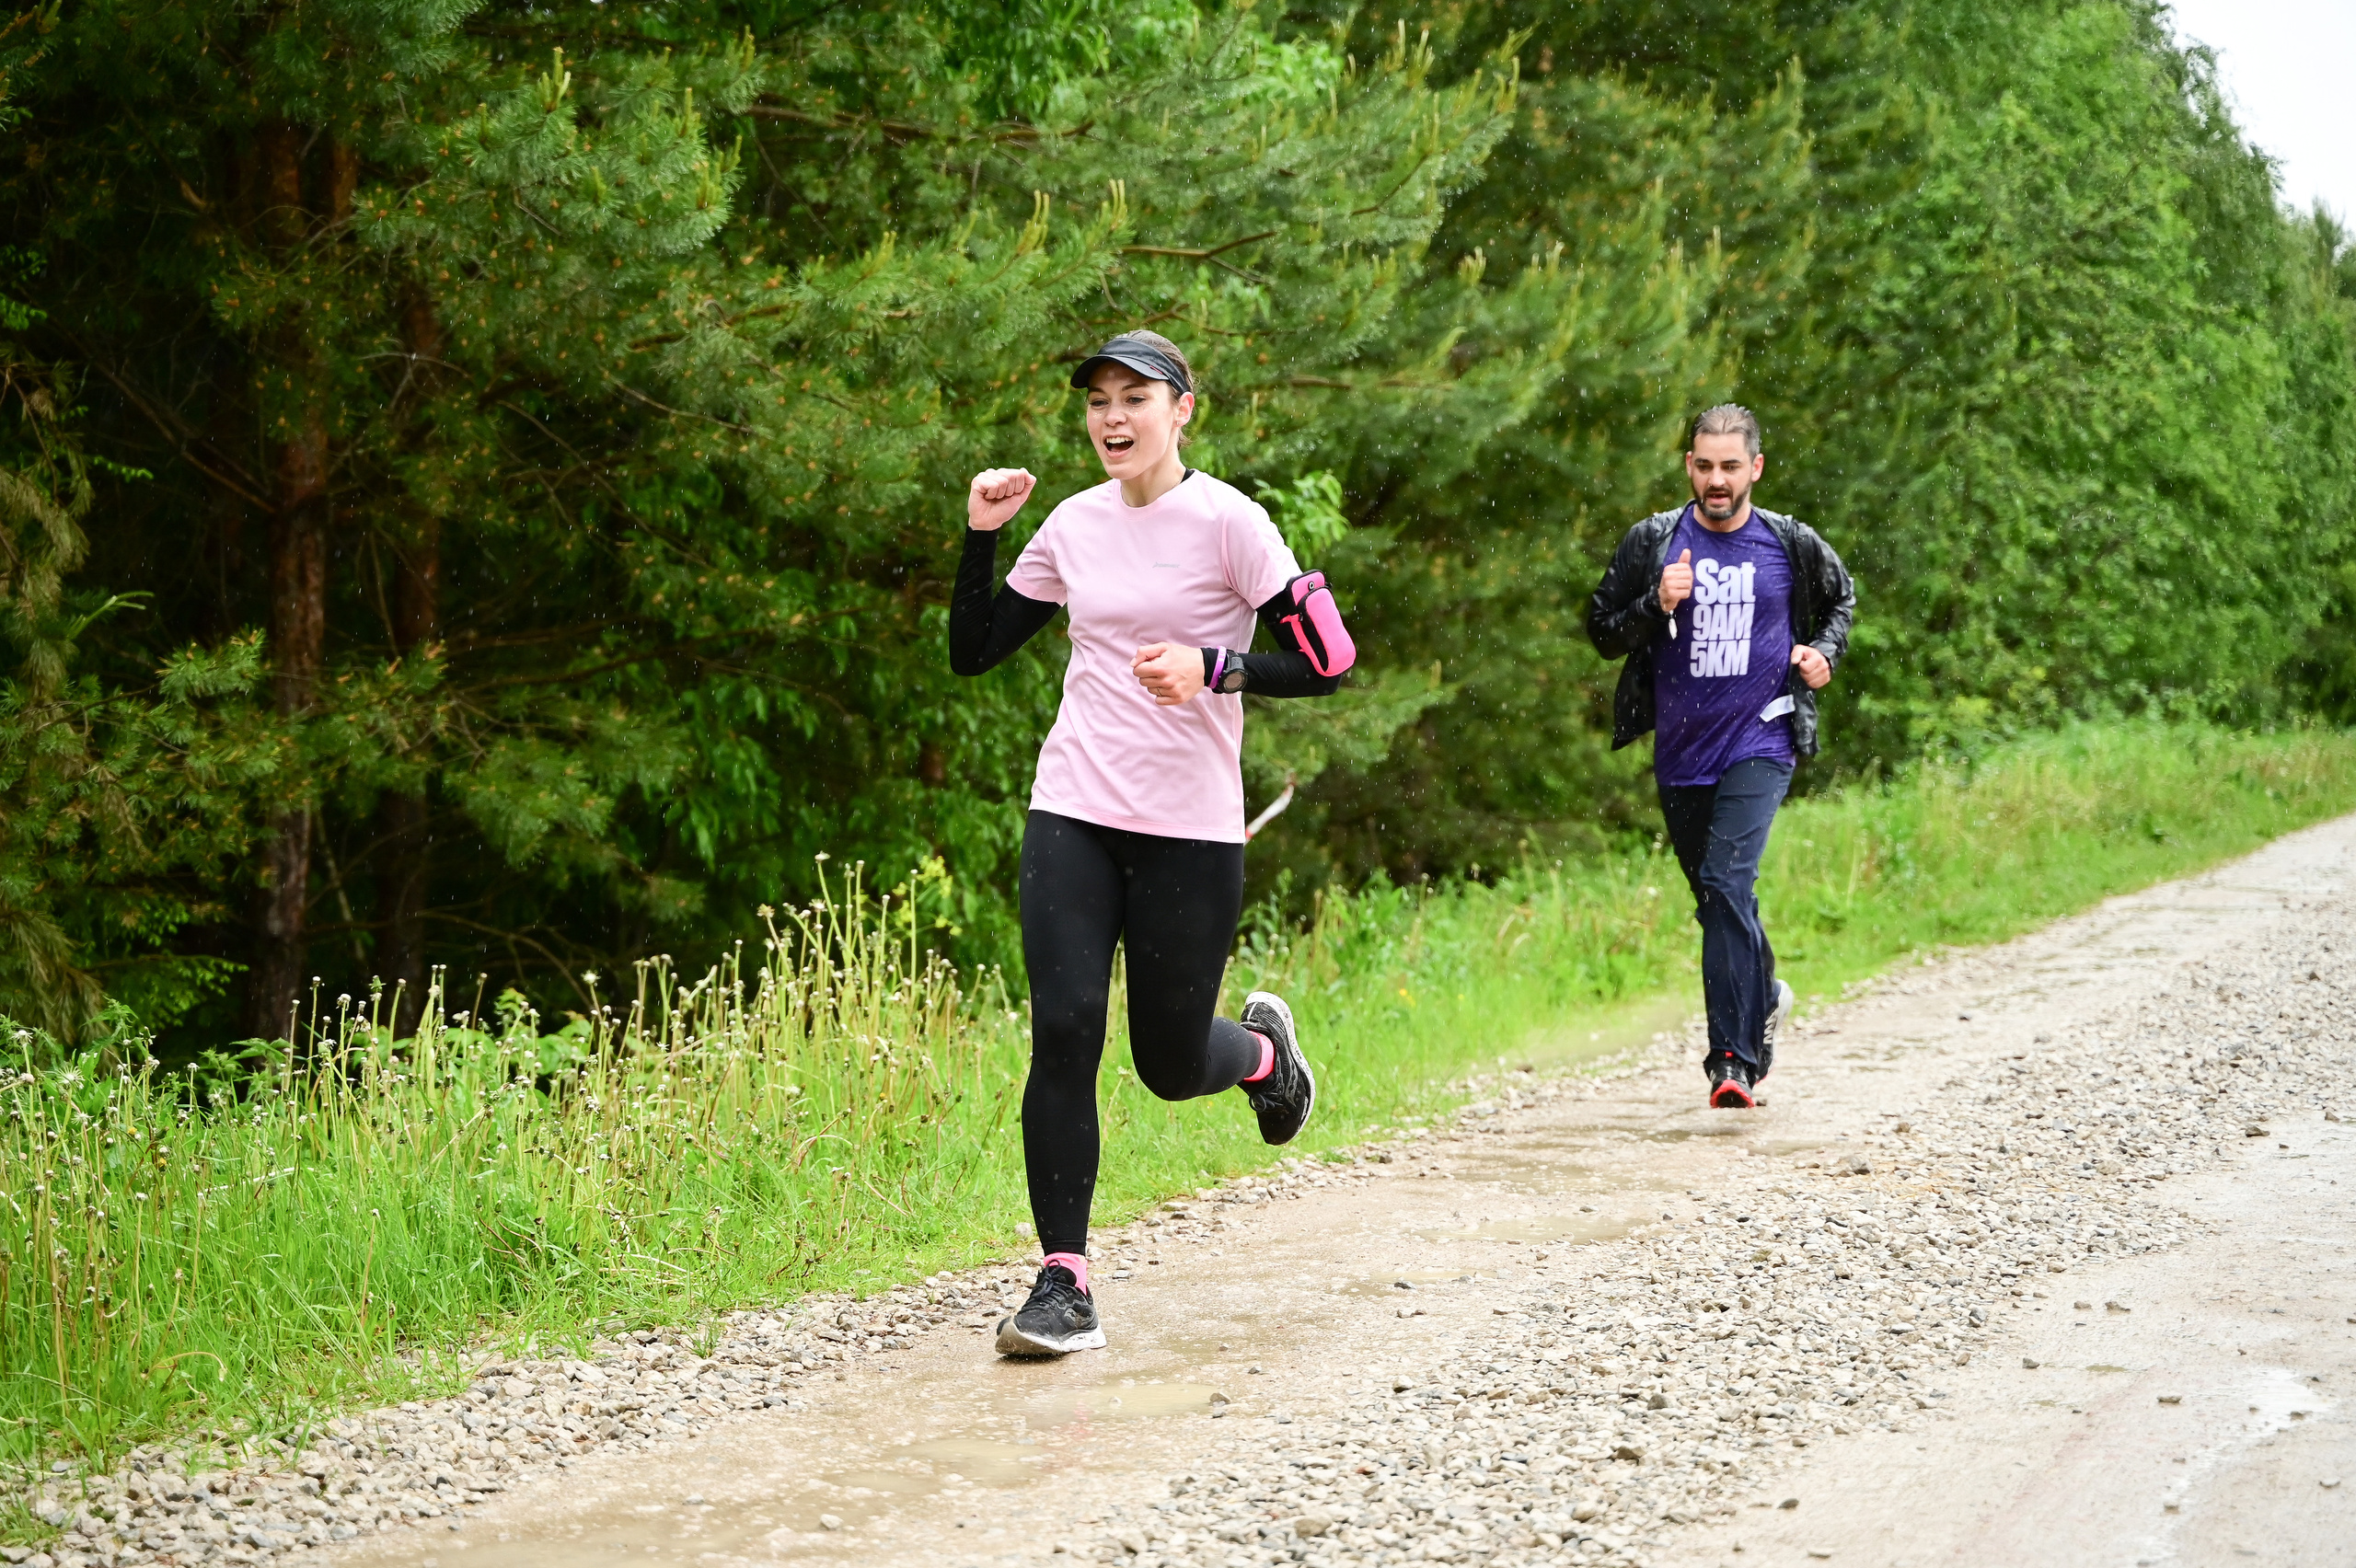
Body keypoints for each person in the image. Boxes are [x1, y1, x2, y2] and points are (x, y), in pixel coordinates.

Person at [949, 329, 1354, 1355]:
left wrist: (1219, 668)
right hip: (1073, 808)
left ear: (1183, 410)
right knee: (1066, 1026)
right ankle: (1063, 1281)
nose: (1112, 418)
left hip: (1188, 828)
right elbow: (974, 651)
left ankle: (1264, 1058)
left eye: (1135, 398)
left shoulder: (1231, 523)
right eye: (1097, 401)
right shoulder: (1072, 526)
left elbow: (1331, 661)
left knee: (1169, 1065)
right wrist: (982, 535)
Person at [1585, 405, 1855, 1109]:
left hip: (1763, 739)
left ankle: (1732, 1061)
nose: (1717, 480)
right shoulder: (1655, 541)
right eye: (1704, 466)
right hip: (1681, 752)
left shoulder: (1787, 542)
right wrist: (1654, 601)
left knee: (1727, 882)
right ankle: (1766, 993)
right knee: (1717, 900)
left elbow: (1840, 604)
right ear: (1689, 467)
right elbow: (1603, 630)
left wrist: (1822, 656)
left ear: (1755, 468)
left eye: (1730, 466)